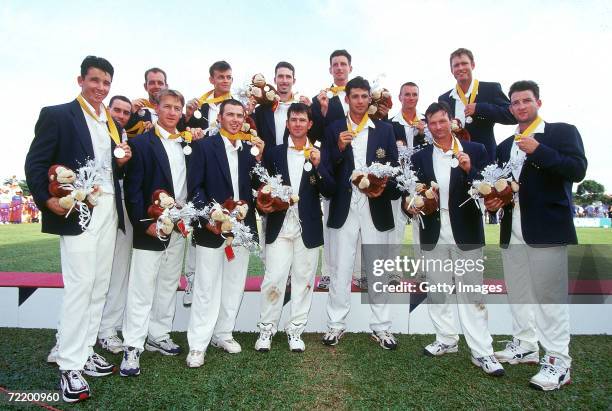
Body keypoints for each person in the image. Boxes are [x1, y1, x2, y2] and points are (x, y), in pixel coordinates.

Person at [24, 55, 131, 403]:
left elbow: (111, 166)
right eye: (95, 80)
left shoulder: (111, 123)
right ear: (81, 80)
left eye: (106, 83)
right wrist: (46, 200)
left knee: (99, 286)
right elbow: (36, 163)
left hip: (108, 210)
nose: (100, 88)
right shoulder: (57, 115)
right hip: (78, 212)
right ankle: (68, 363)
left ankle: (84, 351)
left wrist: (122, 161)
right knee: (80, 286)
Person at [486, 80, 587, 391]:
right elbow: (500, 183)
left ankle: (559, 362)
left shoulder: (561, 132)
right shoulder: (505, 144)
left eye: (525, 101)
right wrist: (494, 199)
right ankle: (525, 344)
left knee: (549, 298)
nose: (519, 107)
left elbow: (577, 170)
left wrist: (540, 150)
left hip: (546, 228)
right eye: (514, 103)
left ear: (538, 103)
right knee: (518, 292)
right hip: (512, 229)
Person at [408, 101, 504, 376]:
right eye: (432, 122)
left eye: (441, 121)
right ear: (426, 125)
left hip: (467, 231)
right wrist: (412, 203)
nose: (437, 127)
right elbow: (413, 191)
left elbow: (486, 188)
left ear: (451, 120)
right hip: (433, 230)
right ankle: (446, 339)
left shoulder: (475, 150)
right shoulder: (420, 156)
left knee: (472, 292)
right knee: (438, 289)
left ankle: (482, 352)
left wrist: (469, 168)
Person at [120, 89, 201, 376]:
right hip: (150, 226)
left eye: (177, 108)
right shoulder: (141, 143)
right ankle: (132, 346)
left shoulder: (188, 143)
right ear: (156, 108)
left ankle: (159, 333)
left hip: (180, 226)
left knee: (168, 282)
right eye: (167, 107)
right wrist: (145, 225)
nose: (172, 112)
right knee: (142, 287)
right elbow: (133, 190)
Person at [320, 76, 400, 349]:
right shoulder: (333, 129)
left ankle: (381, 327)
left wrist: (378, 184)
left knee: (378, 268)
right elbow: (326, 169)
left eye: (364, 96)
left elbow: (393, 168)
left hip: (374, 206)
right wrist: (340, 148)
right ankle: (335, 325)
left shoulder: (385, 130)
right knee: (341, 267)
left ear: (370, 99)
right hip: (344, 205)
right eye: (355, 96)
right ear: (347, 99)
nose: (360, 101)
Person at [185, 99, 264, 368]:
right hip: (211, 227)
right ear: (219, 117)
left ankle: (223, 333)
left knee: (233, 284)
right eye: (229, 114)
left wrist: (261, 161)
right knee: (207, 286)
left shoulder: (248, 152)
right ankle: (197, 344)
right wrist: (211, 215)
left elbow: (256, 186)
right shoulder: (204, 146)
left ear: (244, 119)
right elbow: (195, 188)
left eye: (239, 115)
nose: (234, 119)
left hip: (241, 229)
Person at [254, 103, 332, 352]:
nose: (298, 124)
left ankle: (295, 330)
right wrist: (263, 204)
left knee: (304, 280)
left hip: (307, 228)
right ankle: (266, 329)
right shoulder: (274, 153)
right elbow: (261, 188)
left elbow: (330, 190)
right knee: (273, 278)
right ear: (287, 124)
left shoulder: (319, 153)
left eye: (302, 120)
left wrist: (319, 165)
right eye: (293, 120)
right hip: (279, 226)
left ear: (310, 124)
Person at [310, 49, 353, 291]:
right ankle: (327, 272)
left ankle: (358, 272)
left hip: (359, 167)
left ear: (350, 68)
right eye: (335, 64)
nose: (339, 68)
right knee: (331, 221)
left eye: (343, 64)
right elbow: (315, 134)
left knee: (360, 222)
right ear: (330, 69)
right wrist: (324, 112)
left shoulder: (362, 94)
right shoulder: (322, 98)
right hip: (332, 165)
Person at [97, 95, 135, 354]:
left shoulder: (124, 137)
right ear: (108, 110)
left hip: (121, 204)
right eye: (117, 110)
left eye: (125, 112)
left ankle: (108, 329)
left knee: (119, 269)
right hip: (93, 205)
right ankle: (73, 335)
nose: (121, 115)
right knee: (92, 272)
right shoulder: (97, 128)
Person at [438, 48, 516, 163]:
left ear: (473, 65)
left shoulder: (490, 89)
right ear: (451, 70)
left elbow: (512, 115)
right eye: (456, 65)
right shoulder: (444, 99)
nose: (460, 68)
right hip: (454, 160)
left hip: (484, 158)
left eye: (464, 63)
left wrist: (481, 108)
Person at [253, 61, 311, 147]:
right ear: (274, 80)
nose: (284, 81)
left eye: (288, 77)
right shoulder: (260, 110)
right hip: (267, 160)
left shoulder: (304, 108)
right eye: (280, 76)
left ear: (294, 81)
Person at [124, 68, 168, 137]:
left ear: (166, 86)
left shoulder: (174, 112)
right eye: (152, 83)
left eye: (160, 83)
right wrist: (130, 112)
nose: (156, 86)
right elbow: (122, 133)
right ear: (145, 86)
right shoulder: (137, 108)